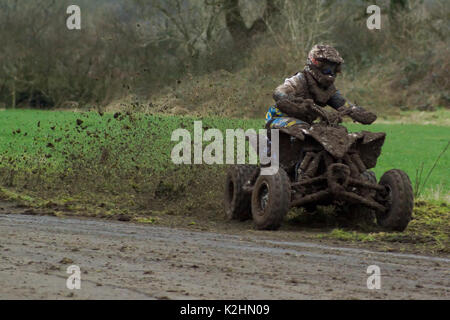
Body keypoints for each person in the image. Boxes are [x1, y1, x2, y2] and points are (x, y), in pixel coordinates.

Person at [265, 44, 376, 131]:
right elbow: (279, 92)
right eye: (327, 68)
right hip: (277, 119)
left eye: (333, 69)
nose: (330, 73)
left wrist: (356, 112)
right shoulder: (300, 79)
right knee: (302, 130)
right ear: (314, 64)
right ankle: (276, 156)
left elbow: (343, 105)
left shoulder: (328, 89)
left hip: (304, 123)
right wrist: (293, 102)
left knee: (335, 132)